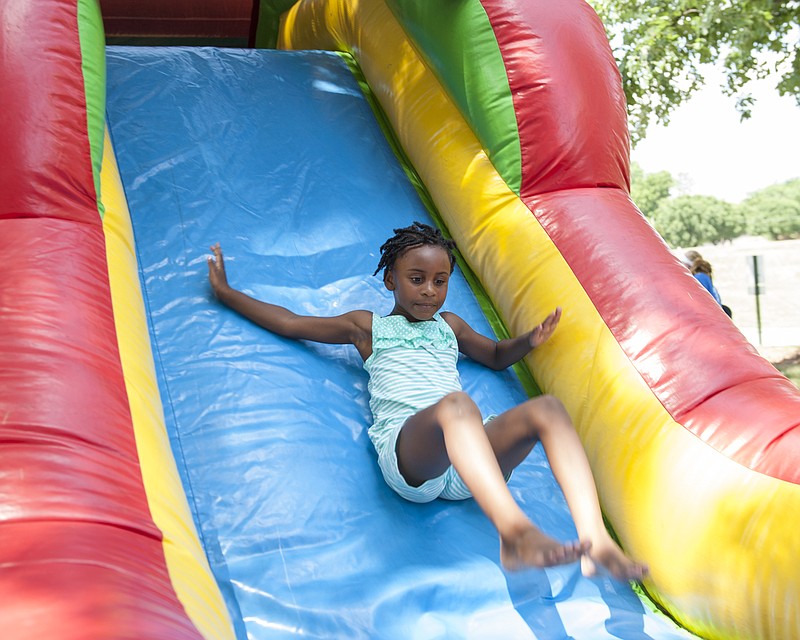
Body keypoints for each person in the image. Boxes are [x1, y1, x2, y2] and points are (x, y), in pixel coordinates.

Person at [207, 221, 647, 581]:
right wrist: (228, 293)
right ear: (390, 280)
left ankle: (597, 544)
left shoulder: (450, 327)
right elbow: (291, 323)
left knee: (547, 408)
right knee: (457, 405)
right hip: (415, 458)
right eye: (417, 280)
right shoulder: (368, 327)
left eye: (440, 282)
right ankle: (514, 532)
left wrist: (528, 341)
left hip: (471, 469)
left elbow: (494, 356)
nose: (429, 291)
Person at [684, 250, 733, 318]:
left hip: (711, 318)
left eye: (683, 263)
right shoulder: (702, 276)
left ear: (688, 264)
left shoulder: (700, 277)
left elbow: (699, 301)